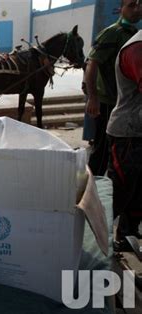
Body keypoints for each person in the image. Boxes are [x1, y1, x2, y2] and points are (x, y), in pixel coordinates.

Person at [84, 0, 140, 175]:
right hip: (108, 102)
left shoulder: (133, 33)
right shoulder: (112, 33)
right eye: (131, 5)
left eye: (138, 5)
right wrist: (93, 98)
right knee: (101, 151)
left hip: (122, 100)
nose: (136, 10)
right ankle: (90, 193)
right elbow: (91, 65)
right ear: (120, 9)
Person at [106, 29, 142, 248]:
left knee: (137, 195)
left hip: (137, 131)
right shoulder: (137, 48)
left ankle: (127, 237)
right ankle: (89, 246)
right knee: (117, 195)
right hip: (128, 135)